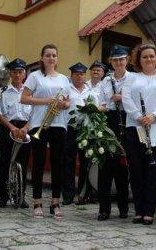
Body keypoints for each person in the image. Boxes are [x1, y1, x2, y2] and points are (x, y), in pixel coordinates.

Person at [122, 43, 156, 225]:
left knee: (153, 171)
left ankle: (149, 211)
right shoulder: (131, 78)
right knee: (136, 170)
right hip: (134, 127)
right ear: (139, 59)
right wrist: (138, 116)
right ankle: (138, 210)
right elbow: (126, 99)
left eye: (152, 56)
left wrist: (154, 116)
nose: (149, 59)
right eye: (145, 56)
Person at [20, 44, 71, 219]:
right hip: (38, 124)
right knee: (39, 163)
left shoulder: (64, 79)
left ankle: (55, 202)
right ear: (42, 58)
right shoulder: (34, 76)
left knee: (58, 163)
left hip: (58, 123)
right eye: (48, 55)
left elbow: (67, 102)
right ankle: (37, 201)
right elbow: (24, 98)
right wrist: (47, 100)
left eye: (54, 55)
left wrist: (64, 104)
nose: (51, 58)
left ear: (57, 59)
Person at [97, 46, 132, 221]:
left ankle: (124, 208)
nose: (118, 63)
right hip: (109, 122)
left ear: (127, 60)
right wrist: (94, 110)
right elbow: (103, 104)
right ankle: (104, 209)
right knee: (105, 167)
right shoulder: (105, 81)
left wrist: (122, 98)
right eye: (115, 60)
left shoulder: (133, 79)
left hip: (128, 122)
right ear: (111, 61)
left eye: (122, 59)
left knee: (123, 169)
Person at [0, 58, 32, 208]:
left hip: (25, 129)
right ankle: (2, 197)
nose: (17, 75)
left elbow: (36, 114)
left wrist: (26, 128)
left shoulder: (30, 93)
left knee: (23, 163)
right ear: (10, 73)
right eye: (15, 72)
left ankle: (20, 197)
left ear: (24, 74)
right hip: (7, 128)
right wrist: (11, 127)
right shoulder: (2, 92)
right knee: (4, 163)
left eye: (20, 72)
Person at [62, 62, 99, 206]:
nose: (80, 77)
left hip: (85, 130)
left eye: (82, 74)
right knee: (68, 163)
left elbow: (96, 111)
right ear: (71, 76)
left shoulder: (91, 93)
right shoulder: (66, 91)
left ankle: (83, 194)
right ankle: (68, 195)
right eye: (77, 74)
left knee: (85, 164)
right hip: (69, 130)